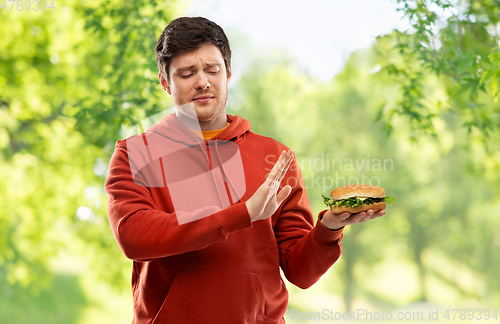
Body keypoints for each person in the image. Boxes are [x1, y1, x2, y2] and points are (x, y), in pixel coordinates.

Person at [105, 16, 385, 324]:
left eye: (213, 70)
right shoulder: (135, 153)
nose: (203, 81)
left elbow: (300, 272)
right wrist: (243, 214)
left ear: (228, 73)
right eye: (187, 73)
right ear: (165, 82)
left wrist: (329, 228)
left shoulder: (275, 157)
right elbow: (135, 237)